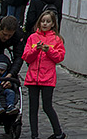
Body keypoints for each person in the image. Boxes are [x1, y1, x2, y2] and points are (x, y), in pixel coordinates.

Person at [22, 9, 66, 139]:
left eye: (48, 21)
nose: (45, 24)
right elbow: (26, 56)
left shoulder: (57, 39)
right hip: (33, 77)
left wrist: (48, 51)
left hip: (47, 78)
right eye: (43, 21)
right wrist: (36, 49)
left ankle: (58, 132)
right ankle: (34, 135)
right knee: (33, 108)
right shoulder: (33, 38)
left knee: (47, 106)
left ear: (53, 24)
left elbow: (59, 57)